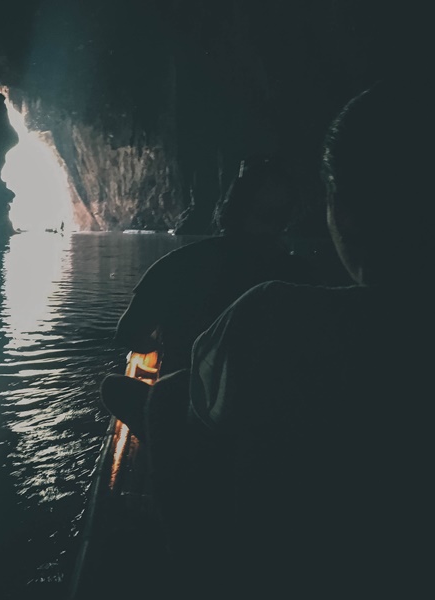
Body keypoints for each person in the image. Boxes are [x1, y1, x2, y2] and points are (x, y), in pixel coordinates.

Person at [151, 80, 434, 596]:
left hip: (288, 573)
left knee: (167, 397)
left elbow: (175, 388)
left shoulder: (272, 313)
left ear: (341, 212)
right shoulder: (294, 286)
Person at [102, 155, 315, 439]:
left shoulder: (177, 264)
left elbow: (128, 334)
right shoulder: (303, 277)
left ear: (232, 209)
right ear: (287, 219)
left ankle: (164, 443)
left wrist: (161, 343)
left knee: (113, 386)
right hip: (275, 420)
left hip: (189, 413)